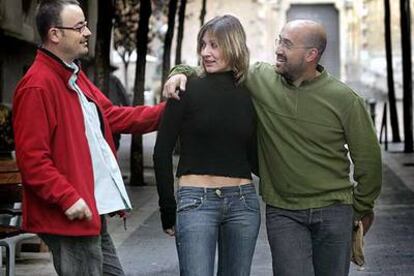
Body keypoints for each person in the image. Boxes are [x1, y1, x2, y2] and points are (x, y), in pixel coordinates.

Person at [163, 19, 382, 276]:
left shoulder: (345, 99)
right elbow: (213, 66)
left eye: (287, 44)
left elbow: (368, 161)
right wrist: (177, 72)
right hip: (284, 212)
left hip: (334, 210)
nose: (278, 49)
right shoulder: (259, 78)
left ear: (311, 55)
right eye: (279, 40)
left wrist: (358, 208)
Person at [12, 1, 165, 275]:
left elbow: (113, 116)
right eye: (80, 26)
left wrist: (170, 110)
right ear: (55, 34)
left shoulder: (73, 74)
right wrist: (68, 198)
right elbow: (32, 160)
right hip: (71, 214)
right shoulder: (37, 85)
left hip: (88, 210)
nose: (88, 32)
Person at [153, 15, 260, 276]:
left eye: (214, 45)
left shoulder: (252, 93)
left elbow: (256, 156)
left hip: (243, 204)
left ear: (233, 46)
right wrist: (168, 208)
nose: (205, 53)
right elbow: (161, 152)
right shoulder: (184, 89)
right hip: (196, 202)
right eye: (203, 45)